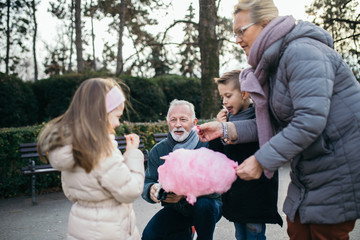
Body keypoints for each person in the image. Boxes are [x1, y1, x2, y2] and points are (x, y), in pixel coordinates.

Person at [196, 0, 360, 239]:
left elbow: (309, 121)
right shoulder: (274, 62)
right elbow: (270, 124)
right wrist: (225, 129)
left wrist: (261, 160)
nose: (237, 39)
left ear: (265, 24)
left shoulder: (302, 51)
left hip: (339, 167)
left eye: (241, 31)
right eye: (234, 33)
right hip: (311, 169)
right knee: (297, 229)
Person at [37, 78, 145, 240]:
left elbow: (83, 187)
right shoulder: (103, 150)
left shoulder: (74, 146)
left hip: (83, 226)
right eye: (116, 116)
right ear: (101, 115)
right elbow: (130, 190)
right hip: (111, 230)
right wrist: (133, 154)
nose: (117, 123)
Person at [209, 70, 282, 240]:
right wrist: (221, 128)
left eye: (228, 95)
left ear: (244, 94)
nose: (224, 101)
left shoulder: (258, 119)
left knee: (254, 234)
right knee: (240, 235)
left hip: (255, 194)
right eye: (222, 97)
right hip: (236, 196)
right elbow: (218, 155)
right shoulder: (228, 120)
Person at [142, 99, 222, 240]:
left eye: (183, 119)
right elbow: (147, 181)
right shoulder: (158, 150)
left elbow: (220, 184)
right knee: (150, 235)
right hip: (177, 208)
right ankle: (185, 233)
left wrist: (185, 193)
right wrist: (151, 190)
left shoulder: (208, 145)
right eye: (173, 120)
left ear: (194, 122)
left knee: (204, 206)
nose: (178, 124)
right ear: (168, 123)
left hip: (209, 205)